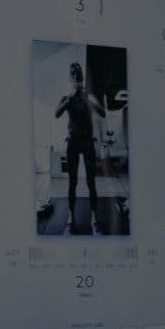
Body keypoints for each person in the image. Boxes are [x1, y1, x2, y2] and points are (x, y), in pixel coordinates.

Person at [55, 62, 106, 235]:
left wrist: (90, 99)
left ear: (82, 78)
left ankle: (94, 219)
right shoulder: (66, 98)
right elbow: (56, 114)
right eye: (74, 76)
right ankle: (70, 219)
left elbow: (103, 113)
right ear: (71, 79)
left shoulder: (88, 97)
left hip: (87, 142)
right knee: (73, 181)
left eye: (79, 76)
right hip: (73, 143)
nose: (77, 78)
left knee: (91, 181)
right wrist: (71, 97)